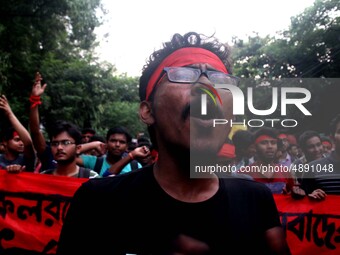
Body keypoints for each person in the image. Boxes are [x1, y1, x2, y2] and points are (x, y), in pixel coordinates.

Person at [57, 32, 291, 254]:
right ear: (148, 111)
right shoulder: (98, 203)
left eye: (221, 81)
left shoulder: (255, 200)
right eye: (183, 75)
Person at [300, 114, 340, 199]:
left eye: (318, 145)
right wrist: (311, 196)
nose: (316, 149)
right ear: (332, 137)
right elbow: (302, 202)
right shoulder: (312, 168)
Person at [0, 95, 36, 172]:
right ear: (5, 142)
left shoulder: (26, 160)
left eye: (22, 140)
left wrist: (10, 114)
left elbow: (28, 143)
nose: (22, 143)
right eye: (17, 140)